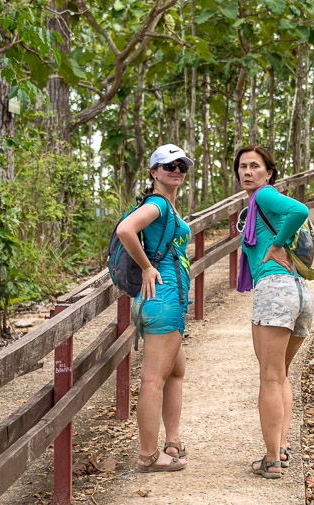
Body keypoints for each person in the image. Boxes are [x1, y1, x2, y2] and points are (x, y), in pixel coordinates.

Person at [234, 145, 314, 479]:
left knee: (269, 376)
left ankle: (271, 460)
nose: (247, 172)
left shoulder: (264, 196)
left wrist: (278, 243)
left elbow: (299, 210)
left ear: (269, 173)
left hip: (276, 290)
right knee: (279, 374)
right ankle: (279, 448)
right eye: (242, 167)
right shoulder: (256, 204)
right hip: (298, 292)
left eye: (255, 166)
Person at [116, 144, 193, 473]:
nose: (176, 170)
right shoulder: (158, 204)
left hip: (166, 301)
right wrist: (147, 267)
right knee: (152, 380)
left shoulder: (168, 207)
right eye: (168, 166)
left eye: (181, 165)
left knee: (175, 371)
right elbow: (125, 230)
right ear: (153, 172)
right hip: (163, 298)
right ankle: (148, 456)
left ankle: (171, 441)